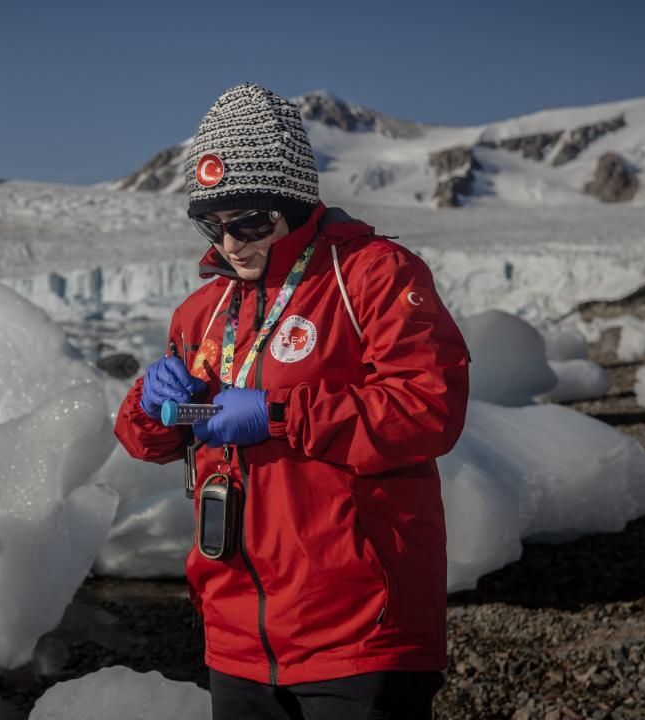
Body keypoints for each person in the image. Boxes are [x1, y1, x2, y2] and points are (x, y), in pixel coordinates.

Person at [113, 83, 471, 719]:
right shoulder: (202, 311)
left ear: (294, 202)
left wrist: (279, 415)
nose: (231, 243)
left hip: (359, 630)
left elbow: (428, 407)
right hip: (236, 636)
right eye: (213, 224)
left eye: (250, 221)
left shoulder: (373, 274)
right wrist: (150, 402)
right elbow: (148, 442)